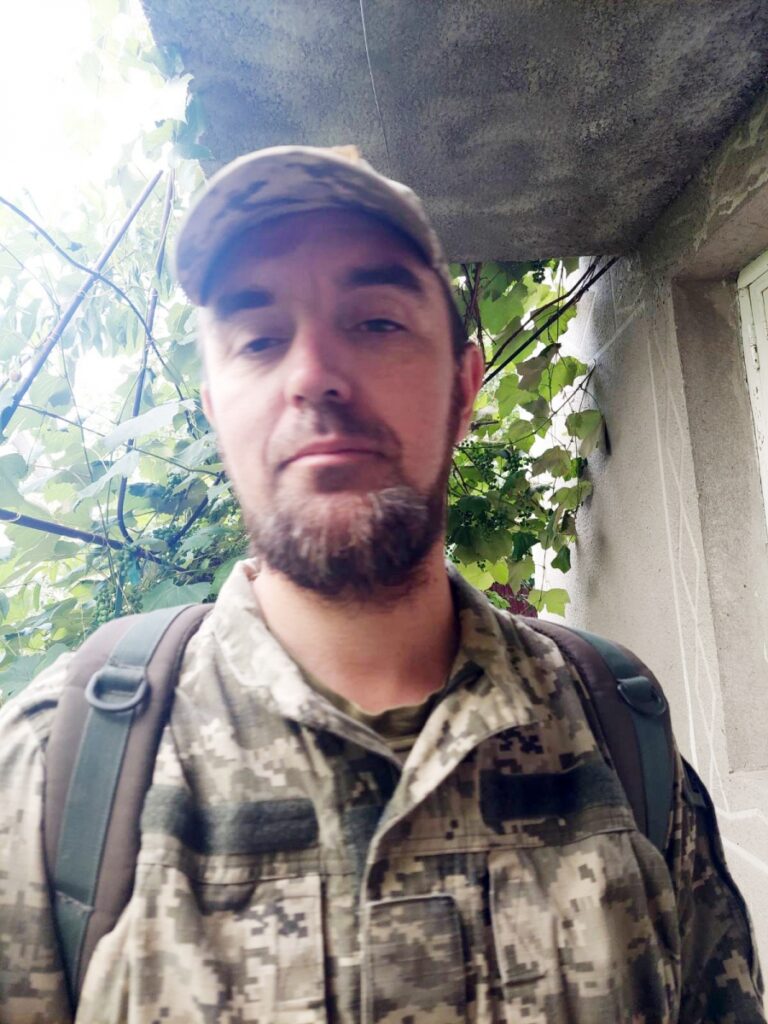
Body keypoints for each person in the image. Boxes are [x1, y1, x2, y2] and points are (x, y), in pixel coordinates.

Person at [0, 145, 764, 1024]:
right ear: (215, 410)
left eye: (375, 323)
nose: (313, 376)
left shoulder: (620, 734)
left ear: (463, 390)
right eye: (259, 339)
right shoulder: (57, 775)